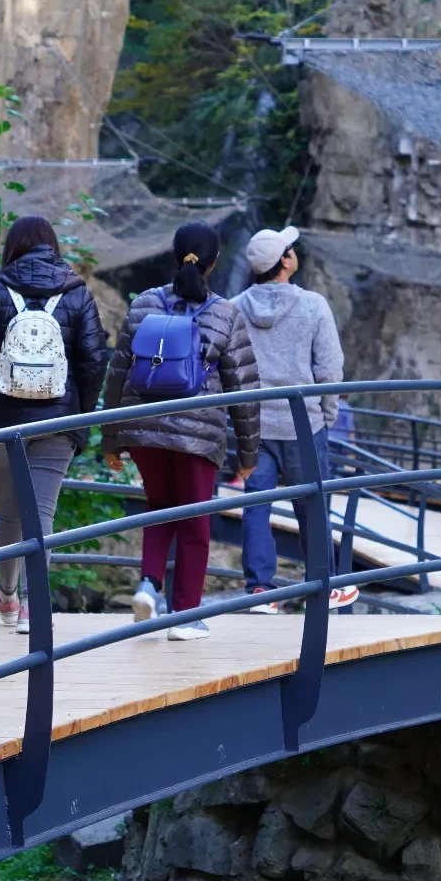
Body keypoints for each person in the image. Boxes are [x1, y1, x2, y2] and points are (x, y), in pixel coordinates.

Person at [104, 222, 260, 640]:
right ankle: (185, 616)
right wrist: (248, 456)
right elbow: (244, 392)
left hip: (144, 429)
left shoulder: (143, 304)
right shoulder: (225, 312)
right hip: (199, 435)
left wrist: (111, 437)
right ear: (214, 265)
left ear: (173, 257)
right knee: (194, 523)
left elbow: (118, 372)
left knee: (159, 507)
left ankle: (148, 585)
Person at [0, 215, 109, 634]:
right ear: (52, 246)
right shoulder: (77, 292)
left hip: (0, 420)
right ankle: (31, 607)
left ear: (12, 246)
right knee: (41, 511)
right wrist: (81, 411)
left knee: (9, 511)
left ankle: (6, 598)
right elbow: (94, 359)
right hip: (59, 419)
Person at [230, 225, 357, 614]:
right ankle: (323, 587)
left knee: (257, 505)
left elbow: (228, 367)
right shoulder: (313, 305)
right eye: (291, 248)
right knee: (312, 506)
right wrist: (328, 414)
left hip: (253, 424)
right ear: (284, 261)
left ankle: (259, 591)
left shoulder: (234, 307)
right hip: (304, 423)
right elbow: (330, 367)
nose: (295, 252)